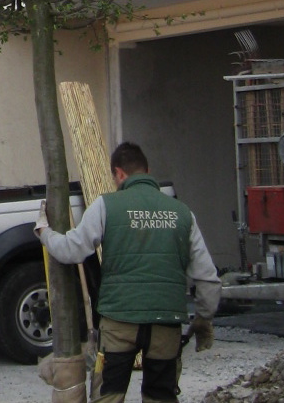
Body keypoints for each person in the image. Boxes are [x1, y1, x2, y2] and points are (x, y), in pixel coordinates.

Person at [35, 141, 221, 403]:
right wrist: (204, 317)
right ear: (148, 170)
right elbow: (208, 279)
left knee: (108, 395)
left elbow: (71, 251)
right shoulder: (183, 214)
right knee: (161, 396)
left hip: (119, 322)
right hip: (166, 322)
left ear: (119, 173)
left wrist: (45, 233)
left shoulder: (106, 206)